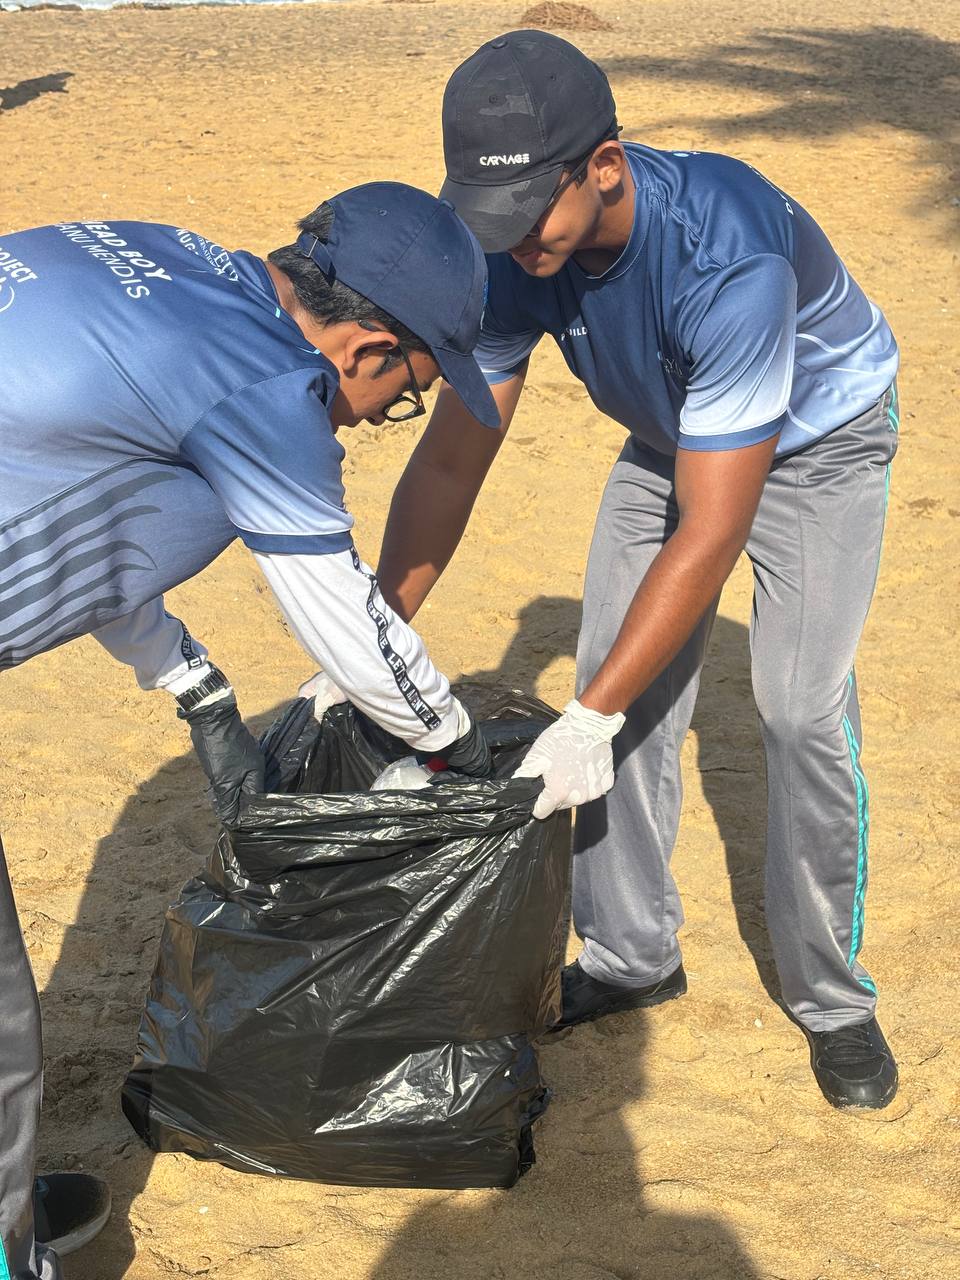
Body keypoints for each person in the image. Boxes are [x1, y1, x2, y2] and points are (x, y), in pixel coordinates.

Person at [376, 30, 901, 1111]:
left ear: (604, 165)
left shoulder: (728, 259)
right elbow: (455, 451)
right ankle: (630, 954)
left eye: (529, 218)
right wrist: (373, 634)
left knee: (798, 708)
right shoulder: (520, 249)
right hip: (674, 432)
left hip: (818, 442)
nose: (511, 246)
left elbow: (711, 532)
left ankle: (837, 999)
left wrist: (589, 713)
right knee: (627, 694)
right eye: (490, 222)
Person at [0, 181, 498, 1279]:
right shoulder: (271, 383)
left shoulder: (168, 257)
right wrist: (458, 752)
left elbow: (80, 504)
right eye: (402, 395)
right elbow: (346, 619)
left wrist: (192, 682)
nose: (372, 421)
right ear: (366, 344)